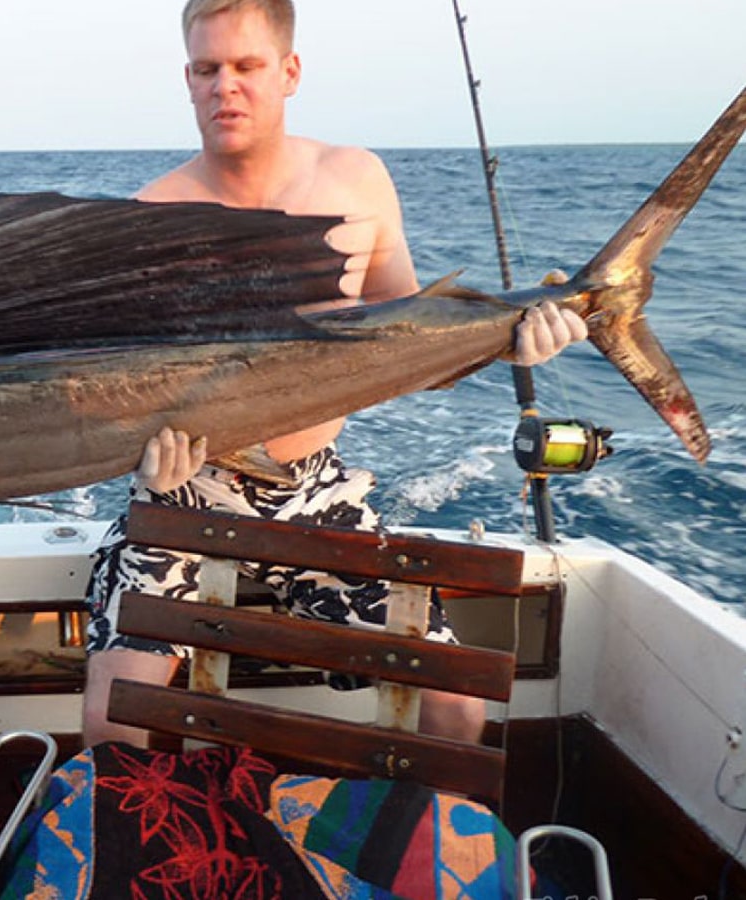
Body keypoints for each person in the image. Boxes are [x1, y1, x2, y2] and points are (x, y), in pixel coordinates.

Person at [81, 0, 588, 749]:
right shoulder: (151, 214)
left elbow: (409, 340)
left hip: (315, 490)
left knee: (456, 709)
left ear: (288, 72)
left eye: (247, 67)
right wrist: (146, 467)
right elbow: (111, 387)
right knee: (109, 720)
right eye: (207, 68)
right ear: (186, 79)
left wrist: (509, 341)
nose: (227, 87)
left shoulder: (354, 180)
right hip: (186, 488)